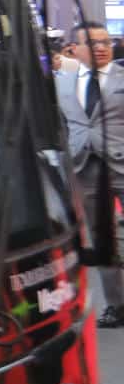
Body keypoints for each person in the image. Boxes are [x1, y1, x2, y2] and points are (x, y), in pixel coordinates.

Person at [57, 20, 124, 327]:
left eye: (105, 42)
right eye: (93, 43)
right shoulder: (61, 84)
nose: (100, 48)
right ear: (74, 49)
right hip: (84, 168)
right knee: (101, 241)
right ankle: (117, 305)